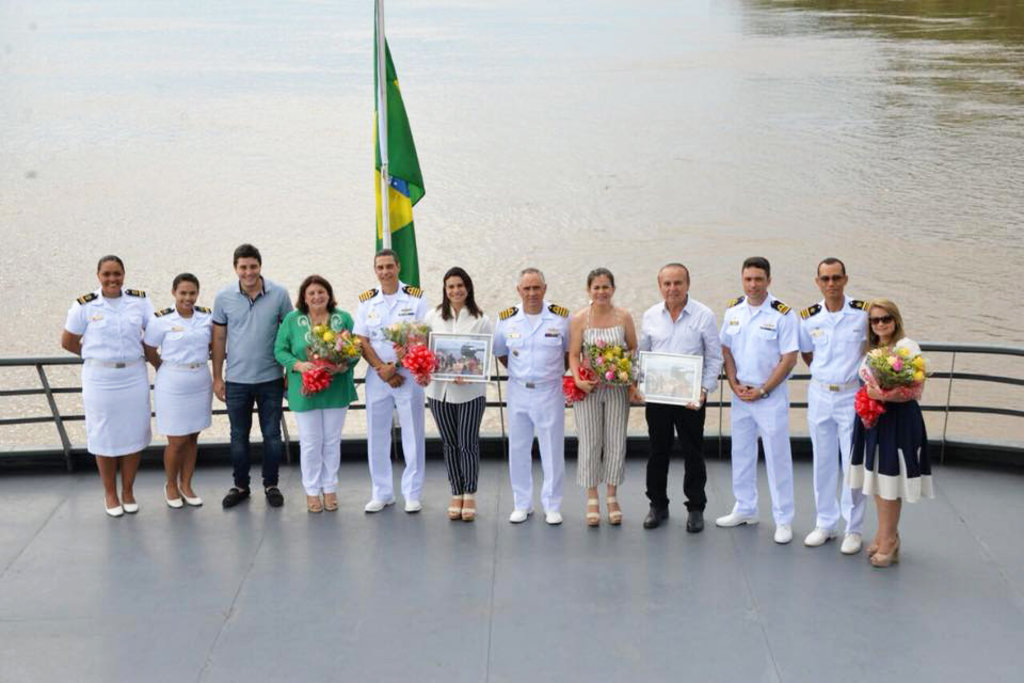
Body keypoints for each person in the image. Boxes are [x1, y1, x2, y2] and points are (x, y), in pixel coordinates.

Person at [61, 255, 153, 517]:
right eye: (107, 274)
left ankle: (128, 491)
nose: (112, 279)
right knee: (104, 436)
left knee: (134, 432)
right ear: (98, 276)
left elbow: (152, 334)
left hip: (133, 375)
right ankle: (110, 493)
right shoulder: (84, 306)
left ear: (124, 275)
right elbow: (68, 341)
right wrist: (94, 355)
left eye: (117, 274)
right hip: (100, 378)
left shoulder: (140, 301)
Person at [715, 256, 798, 544]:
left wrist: (763, 390)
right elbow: (725, 349)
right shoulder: (733, 311)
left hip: (769, 396)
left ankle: (783, 519)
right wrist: (734, 383)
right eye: (748, 279)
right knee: (741, 453)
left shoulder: (783, 314)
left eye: (758, 279)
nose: (753, 285)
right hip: (740, 395)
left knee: (777, 458)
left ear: (769, 281)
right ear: (742, 279)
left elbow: (789, 359)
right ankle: (745, 508)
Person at [638, 263, 723, 532]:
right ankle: (657, 505)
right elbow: (642, 355)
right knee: (657, 452)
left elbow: (714, 357)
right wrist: (641, 384)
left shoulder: (704, 315)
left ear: (688, 284)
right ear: (659, 285)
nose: (672, 288)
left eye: (678, 283)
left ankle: (696, 507)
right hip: (659, 398)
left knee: (693, 453)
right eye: (667, 283)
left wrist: (704, 390)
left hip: (691, 399)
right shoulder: (650, 315)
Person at [849, 299, 933, 567]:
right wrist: (870, 400)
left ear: (895, 319)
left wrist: (881, 394)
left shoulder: (906, 348)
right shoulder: (873, 349)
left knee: (890, 480)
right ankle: (886, 533)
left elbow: (914, 389)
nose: (881, 324)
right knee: (876, 478)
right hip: (875, 419)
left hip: (898, 419)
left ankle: (889, 541)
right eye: (875, 320)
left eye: (886, 318)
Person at [212, 244, 293, 509]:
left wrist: (290, 373)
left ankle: (271, 484)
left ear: (260, 266)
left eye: (253, 266)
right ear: (235, 268)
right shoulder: (223, 297)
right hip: (236, 380)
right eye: (243, 267)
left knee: (271, 435)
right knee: (238, 436)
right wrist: (217, 377)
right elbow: (219, 338)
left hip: (271, 378)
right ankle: (241, 486)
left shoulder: (279, 295)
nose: (248, 272)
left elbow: (289, 335)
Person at [798, 258, 869, 553]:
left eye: (836, 278)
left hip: (851, 395)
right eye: (825, 279)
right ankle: (825, 523)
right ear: (817, 282)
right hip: (820, 394)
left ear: (846, 279)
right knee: (823, 461)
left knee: (853, 462)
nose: (831, 284)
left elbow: (871, 348)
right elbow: (807, 353)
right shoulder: (808, 317)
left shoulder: (863, 314)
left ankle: (853, 527)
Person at [353, 249, 430, 513]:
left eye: (389, 266)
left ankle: (412, 493)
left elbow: (422, 337)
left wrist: (395, 367)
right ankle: (382, 492)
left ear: (398, 267)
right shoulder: (366, 301)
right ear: (375, 270)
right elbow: (361, 339)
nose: (385, 272)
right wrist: (382, 369)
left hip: (409, 374)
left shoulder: (416, 298)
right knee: (377, 434)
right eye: (380, 267)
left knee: (413, 434)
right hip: (377, 378)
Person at [274, 275, 358, 513]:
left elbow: (356, 349)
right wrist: (298, 365)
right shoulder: (292, 320)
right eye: (311, 293)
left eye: (321, 292)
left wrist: (345, 365)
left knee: (332, 441)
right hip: (305, 390)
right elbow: (279, 350)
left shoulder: (343, 319)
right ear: (304, 297)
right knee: (311, 443)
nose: (317, 297)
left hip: (336, 388)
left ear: (329, 294)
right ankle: (312, 491)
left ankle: (330, 487)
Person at [493, 267, 570, 525]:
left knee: (552, 448)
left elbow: (570, 353)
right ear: (519, 291)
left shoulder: (561, 318)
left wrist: (548, 373)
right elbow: (501, 353)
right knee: (518, 448)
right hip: (518, 391)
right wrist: (522, 373)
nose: (532, 293)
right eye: (527, 288)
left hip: (550, 390)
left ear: (545, 289)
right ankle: (521, 503)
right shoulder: (506, 319)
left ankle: (552, 504)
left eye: (537, 288)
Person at [568, 267, 637, 527]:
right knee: (589, 440)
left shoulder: (624, 317)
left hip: (617, 388)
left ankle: (612, 495)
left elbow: (633, 347)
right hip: (589, 389)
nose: (601, 292)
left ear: (613, 289)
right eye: (596, 287)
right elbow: (573, 354)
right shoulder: (579, 319)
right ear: (589, 290)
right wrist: (577, 379)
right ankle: (592, 496)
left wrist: (622, 368)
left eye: (605, 287)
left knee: (616, 440)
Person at [423, 267, 493, 522]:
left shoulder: (481, 319)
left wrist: (470, 370)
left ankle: (470, 492)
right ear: (444, 289)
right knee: (450, 444)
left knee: (468, 443)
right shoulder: (432, 316)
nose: (455, 291)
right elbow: (424, 350)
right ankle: (456, 491)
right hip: (439, 391)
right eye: (450, 286)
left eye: (459, 285)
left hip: (470, 392)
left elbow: (483, 358)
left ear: (468, 287)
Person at [143, 273, 213, 508]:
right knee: (177, 440)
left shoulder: (206, 317)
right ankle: (171, 485)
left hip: (200, 379)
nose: (188, 297)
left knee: (193, 436)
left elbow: (214, 344)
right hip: (172, 382)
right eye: (183, 293)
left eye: (192, 293)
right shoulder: (160, 319)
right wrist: (161, 366)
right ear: (174, 293)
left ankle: (187, 484)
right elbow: (149, 348)